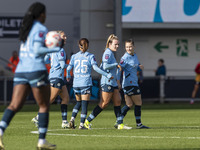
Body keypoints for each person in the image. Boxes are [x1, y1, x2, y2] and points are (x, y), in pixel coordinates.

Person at [0, 2, 60, 149]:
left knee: (14, 105)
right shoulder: (40, 28)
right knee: (44, 105)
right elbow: (37, 50)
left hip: (21, 70)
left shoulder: (25, 28)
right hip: (35, 69)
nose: (46, 16)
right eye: (45, 13)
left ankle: (0, 131)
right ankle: (41, 141)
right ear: (41, 14)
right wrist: (55, 48)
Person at [84, 34, 132, 130]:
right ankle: (87, 121)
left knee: (118, 101)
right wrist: (115, 64)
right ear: (110, 44)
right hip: (107, 81)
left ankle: (120, 124)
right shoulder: (108, 53)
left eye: (118, 44)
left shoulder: (111, 53)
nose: (117, 46)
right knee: (104, 103)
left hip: (112, 82)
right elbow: (105, 66)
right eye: (115, 44)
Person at [66, 38, 113, 129]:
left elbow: (68, 68)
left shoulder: (74, 56)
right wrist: (106, 74)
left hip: (76, 83)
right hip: (85, 82)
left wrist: (68, 75)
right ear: (87, 45)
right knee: (84, 104)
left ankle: (72, 119)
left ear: (78, 45)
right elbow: (95, 68)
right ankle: (81, 125)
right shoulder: (90, 56)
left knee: (78, 102)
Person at [31, 30, 70, 129]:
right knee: (50, 100)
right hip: (57, 77)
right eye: (63, 36)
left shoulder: (53, 49)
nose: (65, 38)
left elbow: (46, 60)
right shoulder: (60, 50)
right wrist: (71, 65)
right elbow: (62, 65)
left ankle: (64, 121)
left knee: (65, 98)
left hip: (57, 77)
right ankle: (38, 117)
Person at [117, 39, 149, 129]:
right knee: (138, 103)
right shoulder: (124, 58)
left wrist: (140, 67)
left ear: (133, 47)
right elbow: (119, 68)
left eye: (130, 46)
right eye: (127, 47)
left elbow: (136, 67)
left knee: (129, 105)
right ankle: (139, 124)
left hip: (134, 82)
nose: (129, 48)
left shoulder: (135, 56)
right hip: (129, 84)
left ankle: (118, 121)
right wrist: (118, 81)